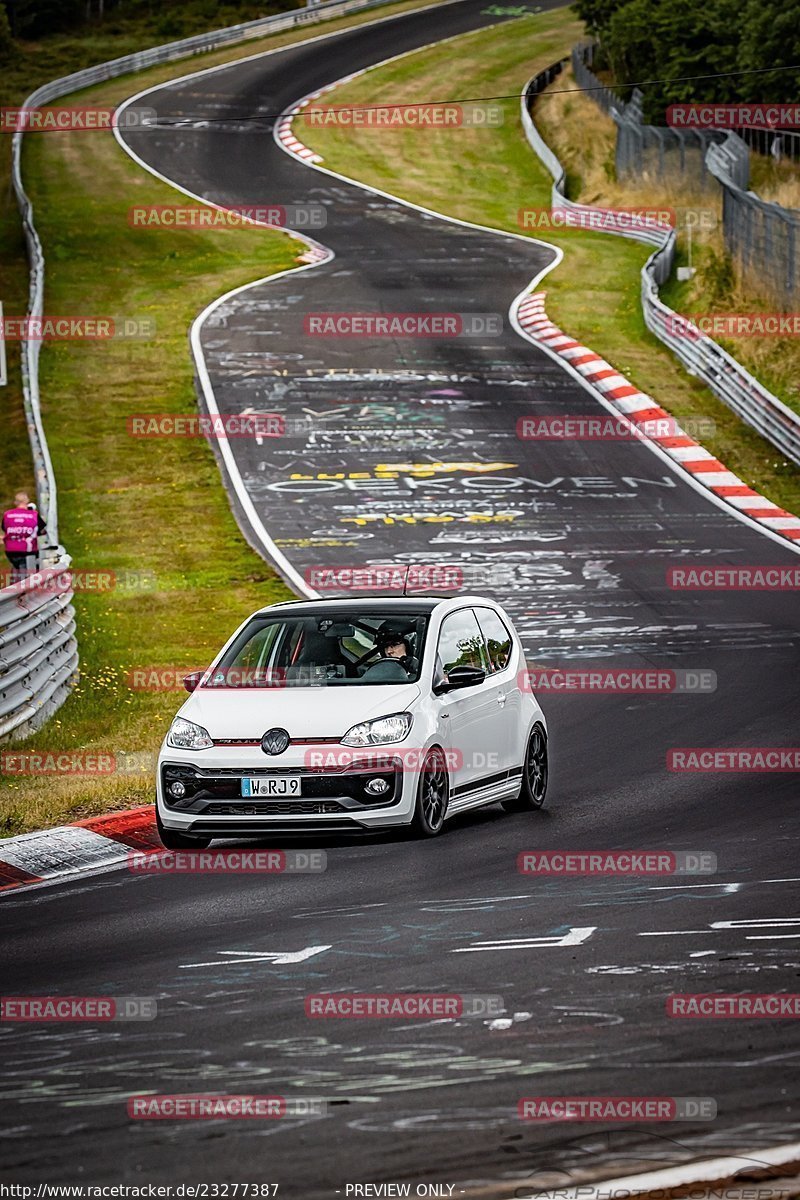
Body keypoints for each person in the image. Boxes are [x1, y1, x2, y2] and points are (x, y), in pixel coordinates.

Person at [2, 491, 46, 582]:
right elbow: (42, 530)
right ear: (27, 501)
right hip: (27, 550)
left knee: (16, 569)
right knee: (25, 575)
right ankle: (23, 591)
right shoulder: (33, 515)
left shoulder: (7, 514)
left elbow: (4, 528)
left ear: (15, 503)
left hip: (10, 550)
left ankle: (14, 589)